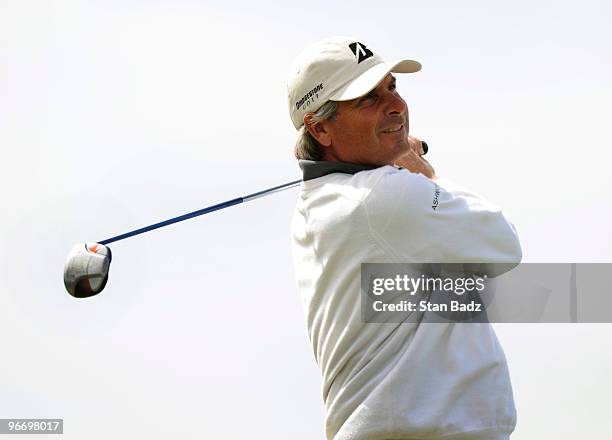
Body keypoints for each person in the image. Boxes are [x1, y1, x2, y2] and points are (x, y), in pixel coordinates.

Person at [288, 36, 522, 440]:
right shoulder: (385, 195)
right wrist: (424, 173)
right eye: (366, 99)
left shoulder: (320, 203)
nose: (395, 107)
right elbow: (504, 244)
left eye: (392, 88)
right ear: (320, 128)